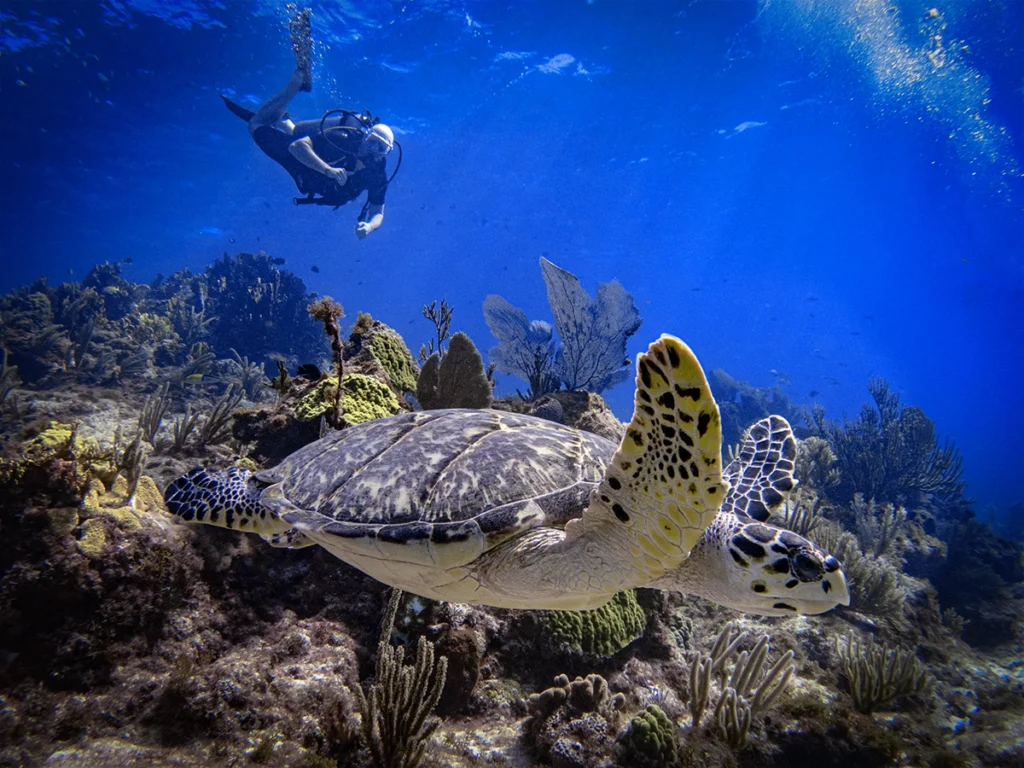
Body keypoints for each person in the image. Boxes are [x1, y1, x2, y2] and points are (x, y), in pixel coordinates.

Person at [222, 7, 397, 240]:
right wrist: (328, 170)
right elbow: (297, 148)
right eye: (373, 142)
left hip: (311, 181)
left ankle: (284, 119)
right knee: (256, 126)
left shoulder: (378, 175)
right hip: (302, 163)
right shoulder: (342, 139)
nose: (374, 150)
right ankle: (295, 86)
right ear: (366, 136)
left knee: (292, 130)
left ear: (386, 153)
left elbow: (377, 211)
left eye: (381, 148)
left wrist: (369, 226)